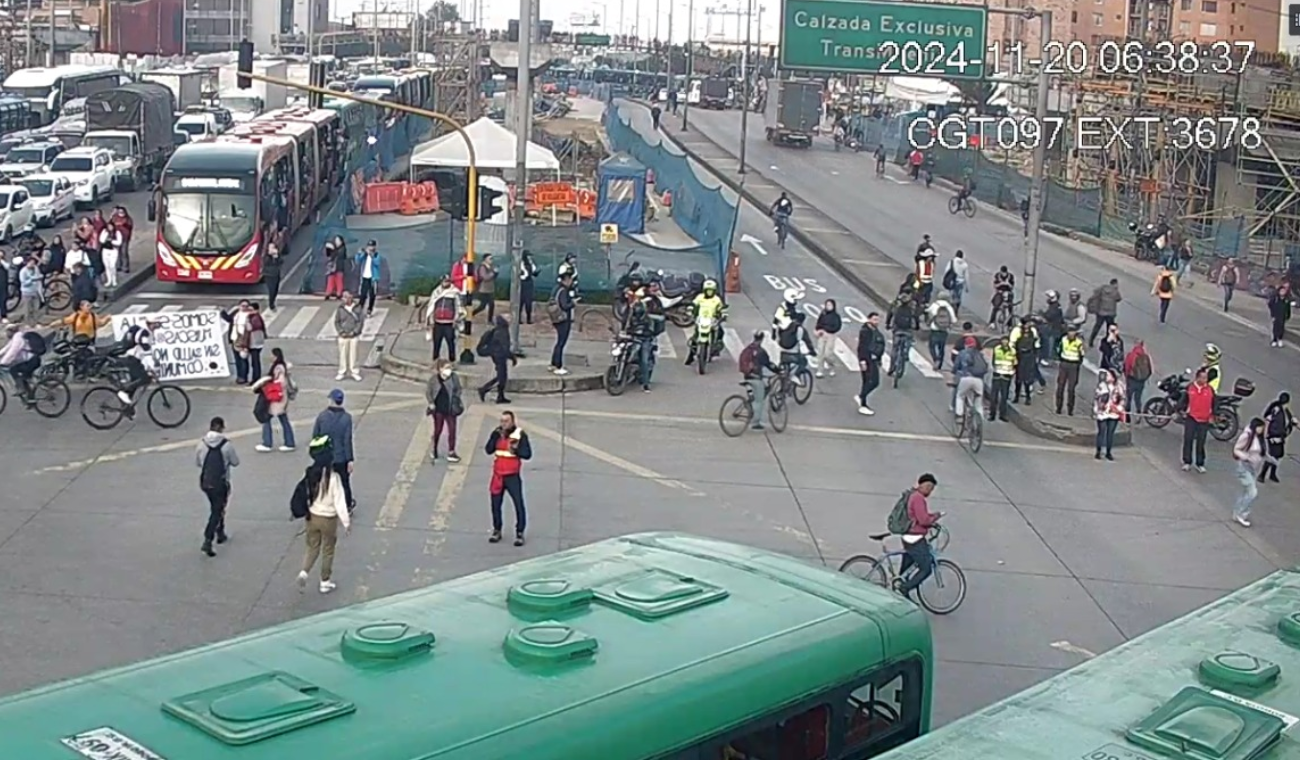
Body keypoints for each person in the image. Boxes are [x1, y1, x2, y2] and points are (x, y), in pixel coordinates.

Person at [296, 436, 351, 594]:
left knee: (312, 546)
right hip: (328, 519)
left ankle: (304, 571)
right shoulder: (333, 478)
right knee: (328, 550)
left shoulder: (310, 474)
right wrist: (346, 522)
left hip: (312, 516)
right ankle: (324, 581)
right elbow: (339, 501)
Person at [486, 410, 532, 546]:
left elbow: (527, 454)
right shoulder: (497, 434)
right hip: (498, 475)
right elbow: (488, 450)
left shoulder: (520, 435)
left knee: (518, 504)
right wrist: (494, 438)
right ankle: (497, 530)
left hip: (512, 476)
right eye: (501, 421)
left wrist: (516, 450)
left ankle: (519, 533)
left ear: (512, 421)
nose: (503, 424)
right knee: (495, 505)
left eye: (506, 421)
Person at [195, 416, 239, 557]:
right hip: (221, 483)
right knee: (217, 510)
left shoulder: (201, 444)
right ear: (220, 427)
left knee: (216, 507)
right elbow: (235, 462)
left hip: (206, 483)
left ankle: (220, 531)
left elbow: (198, 462)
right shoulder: (226, 445)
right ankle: (208, 538)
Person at [896, 473, 942, 598]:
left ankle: (900, 588)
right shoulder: (918, 498)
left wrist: (930, 518)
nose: (929, 490)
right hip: (914, 538)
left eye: (931, 489)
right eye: (928, 486)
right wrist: (936, 516)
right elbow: (923, 520)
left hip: (908, 536)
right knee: (926, 567)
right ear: (921, 485)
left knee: (906, 569)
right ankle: (904, 588)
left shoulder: (913, 495)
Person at [312, 389, 357, 512]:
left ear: (331, 400)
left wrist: (316, 455)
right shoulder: (347, 418)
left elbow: (316, 436)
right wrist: (350, 460)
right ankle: (347, 505)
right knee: (344, 483)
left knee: (323, 481)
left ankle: (323, 503)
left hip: (325, 456)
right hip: (341, 458)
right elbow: (347, 440)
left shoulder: (322, 416)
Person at [255, 347, 296, 452]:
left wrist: (267, 384)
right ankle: (289, 442)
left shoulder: (278, 369)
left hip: (277, 399)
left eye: (272, 355)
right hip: (282, 398)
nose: (271, 357)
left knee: (267, 418)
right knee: (283, 419)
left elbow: (280, 383)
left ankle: (267, 443)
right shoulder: (283, 366)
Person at [426, 359, 465, 463]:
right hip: (438, 408)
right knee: (438, 429)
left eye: (450, 367)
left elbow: (458, 389)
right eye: (446, 368)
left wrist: (456, 398)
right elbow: (429, 392)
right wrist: (431, 403)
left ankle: (451, 452)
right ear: (440, 369)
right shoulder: (433, 379)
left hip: (450, 408)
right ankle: (434, 449)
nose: (449, 370)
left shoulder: (454, 378)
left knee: (452, 430)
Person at [1232, 418, 1267, 527]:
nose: (1261, 430)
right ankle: (1241, 514)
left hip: (1253, 467)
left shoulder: (1259, 438)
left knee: (1246, 492)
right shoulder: (1247, 436)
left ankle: (1238, 512)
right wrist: (1246, 457)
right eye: (1260, 427)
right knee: (1252, 492)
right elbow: (1236, 449)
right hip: (1244, 466)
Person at [739, 330, 776, 430]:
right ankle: (756, 423)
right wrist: (778, 370)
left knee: (754, 396)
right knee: (759, 401)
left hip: (746, 376)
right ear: (762, 339)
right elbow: (768, 364)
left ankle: (750, 407)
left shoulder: (748, 349)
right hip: (755, 377)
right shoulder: (761, 351)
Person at [684, 278, 725, 368]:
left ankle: (715, 349)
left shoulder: (717, 299)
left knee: (721, 333)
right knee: (695, 336)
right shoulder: (700, 297)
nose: (709, 292)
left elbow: (721, 308)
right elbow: (693, 304)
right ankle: (691, 356)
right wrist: (690, 310)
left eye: (711, 291)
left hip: (712, 320)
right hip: (701, 319)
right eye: (708, 290)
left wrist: (723, 314)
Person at [1182, 368, 1214, 473]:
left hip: (1204, 420)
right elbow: (1183, 401)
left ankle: (1200, 463)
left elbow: (1214, 403)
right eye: (1203, 377)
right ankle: (1187, 462)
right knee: (1188, 439)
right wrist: (1180, 410)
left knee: (1201, 442)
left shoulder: (1210, 390)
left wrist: (1213, 415)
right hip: (1191, 418)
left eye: (1206, 378)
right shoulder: (1190, 388)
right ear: (1197, 378)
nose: (1205, 380)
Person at [477, 314, 515, 404]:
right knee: (501, 377)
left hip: (497, 354)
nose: (511, 319)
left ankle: (500, 396)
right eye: (509, 318)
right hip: (499, 355)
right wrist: (512, 357)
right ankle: (484, 389)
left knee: (501, 376)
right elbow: (504, 346)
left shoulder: (500, 328)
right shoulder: (502, 331)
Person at [0, 324, 41, 401]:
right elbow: (5, 349)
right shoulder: (14, 338)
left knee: (14, 370)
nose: (6, 334)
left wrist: (3, 362)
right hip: (29, 360)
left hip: (32, 361)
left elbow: (13, 351)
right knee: (20, 375)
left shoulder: (18, 338)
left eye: (7, 332)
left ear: (11, 331)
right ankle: (30, 399)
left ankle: (22, 389)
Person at [856, 312, 886, 415]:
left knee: (869, 382)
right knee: (872, 381)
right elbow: (861, 347)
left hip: (874, 359)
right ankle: (862, 401)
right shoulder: (865, 331)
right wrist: (862, 361)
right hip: (867, 360)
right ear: (869, 319)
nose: (876, 322)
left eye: (877, 320)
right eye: (874, 319)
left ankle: (862, 398)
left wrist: (879, 359)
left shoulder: (874, 330)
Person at [426, 275, 461, 362]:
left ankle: (452, 361)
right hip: (437, 323)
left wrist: (456, 319)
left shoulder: (454, 293)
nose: (446, 283)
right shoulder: (436, 292)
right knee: (436, 343)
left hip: (449, 323)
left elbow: (458, 307)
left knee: (450, 343)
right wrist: (431, 320)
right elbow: (431, 306)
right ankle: (435, 361)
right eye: (444, 281)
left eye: (448, 281)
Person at [1261, 393, 1294, 483]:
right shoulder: (1276, 409)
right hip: (1273, 437)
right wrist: (1266, 435)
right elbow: (1268, 421)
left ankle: (1272, 473)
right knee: (1272, 456)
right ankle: (1262, 475)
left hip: (1280, 437)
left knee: (1278, 455)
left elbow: (1291, 421)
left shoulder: (1285, 411)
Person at [951, 336, 987, 421]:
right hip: (979, 380)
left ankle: (959, 416)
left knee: (960, 396)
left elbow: (956, 366)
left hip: (966, 378)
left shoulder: (962, 353)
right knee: (978, 402)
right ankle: (980, 419)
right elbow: (986, 366)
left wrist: (953, 372)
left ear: (966, 345)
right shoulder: (980, 354)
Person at [549, 271, 577, 376]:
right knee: (561, 343)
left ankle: (553, 363)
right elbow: (565, 305)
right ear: (566, 280)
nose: (571, 282)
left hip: (556, 318)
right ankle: (558, 365)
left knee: (558, 342)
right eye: (570, 279)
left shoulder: (556, 288)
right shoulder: (564, 291)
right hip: (563, 319)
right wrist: (573, 303)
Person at [1093, 369, 1124, 461]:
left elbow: (1123, 398)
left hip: (1114, 413)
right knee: (1101, 432)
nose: (1107, 377)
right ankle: (1098, 451)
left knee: (1110, 433)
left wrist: (1119, 408)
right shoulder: (1102, 386)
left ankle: (1108, 452)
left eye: (1109, 375)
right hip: (1103, 413)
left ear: (1113, 377)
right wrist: (1097, 409)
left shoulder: (1119, 387)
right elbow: (1097, 398)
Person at [334, 291, 365, 382]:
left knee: (354, 354)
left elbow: (360, 321)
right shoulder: (340, 308)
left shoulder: (357, 308)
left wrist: (355, 332)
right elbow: (337, 322)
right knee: (342, 354)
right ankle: (342, 371)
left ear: (351, 298)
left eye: (346, 297)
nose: (344, 299)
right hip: (343, 335)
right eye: (343, 297)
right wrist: (341, 331)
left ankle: (354, 372)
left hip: (353, 335)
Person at [1055, 324, 1085, 415]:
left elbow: (1081, 355)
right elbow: (1059, 350)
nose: (1071, 333)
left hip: (1073, 365)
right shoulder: (1063, 340)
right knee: (1060, 387)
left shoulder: (1079, 342)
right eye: (1070, 331)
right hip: (1064, 364)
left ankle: (1070, 409)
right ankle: (1058, 408)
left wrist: (1076, 364)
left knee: (1071, 389)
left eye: (1073, 331)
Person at [1009, 316, 1039, 404]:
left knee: (1028, 378)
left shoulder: (1033, 331)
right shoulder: (1017, 331)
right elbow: (1012, 344)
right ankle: (1016, 396)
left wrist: (1036, 355)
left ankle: (1028, 397)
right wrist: (1014, 356)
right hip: (1019, 355)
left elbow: (1036, 343)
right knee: (1019, 377)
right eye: (1028, 323)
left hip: (1030, 356)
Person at [222, 299, 253, 384]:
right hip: (235, 338)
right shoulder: (236, 312)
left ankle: (244, 377)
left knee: (243, 359)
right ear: (239, 306)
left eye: (246, 306)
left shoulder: (250, 315)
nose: (244, 308)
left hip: (244, 340)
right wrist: (222, 313)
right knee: (237, 360)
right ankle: (239, 376)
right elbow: (229, 319)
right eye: (242, 306)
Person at [1122, 340, 1153, 418]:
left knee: (1128, 397)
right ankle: (1138, 412)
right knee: (1138, 398)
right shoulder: (1146, 356)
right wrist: (1145, 378)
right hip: (1141, 381)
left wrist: (1126, 377)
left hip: (1132, 380)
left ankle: (1127, 415)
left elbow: (1127, 367)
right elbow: (1150, 369)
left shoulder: (1131, 355)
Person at [1087, 279, 1123, 345]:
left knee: (1097, 326)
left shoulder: (1103, 288)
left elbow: (1095, 292)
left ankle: (1091, 340)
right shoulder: (1115, 291)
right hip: (1110, 313)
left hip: (1101, 312)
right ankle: (1107, 342)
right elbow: (1119, 299)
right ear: (1115, 284)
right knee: (1109, 329)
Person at [990, 334, 1016, 421]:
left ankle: (1002, 415)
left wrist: (1012, 372)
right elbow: (993, 361)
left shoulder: (1012, 350)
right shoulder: (997, 349)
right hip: (997, 375)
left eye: (1006, 340)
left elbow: (1015, 362)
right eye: (1003, 340)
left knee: (1004, 396)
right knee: (994, 396)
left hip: (1006, 376)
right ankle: (992, 414)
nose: (1004, 342)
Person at [813, 298, 843, 378]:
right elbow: (819, 323)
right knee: (820, 353)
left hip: (830, 336)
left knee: (828, 354)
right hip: (822, 335)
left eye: (830, 305)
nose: (828, 306)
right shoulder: (823, 314)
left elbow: (837, 327)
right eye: (827, 305)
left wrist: (828, 330)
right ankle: (820, 371)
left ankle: (832, 365)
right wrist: (817, 330)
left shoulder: (836, 316)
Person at [355, 240, 382, 315]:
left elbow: (377, 263)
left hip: (372, 278)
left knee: (372, 295)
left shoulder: (376, 255)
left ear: (374, 247)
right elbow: (357, 261)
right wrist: (359, 253)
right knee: (363, 294)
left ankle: (369, 309)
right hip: (365, 277)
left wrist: (371, 255)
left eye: (372, 246)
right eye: (369, 246)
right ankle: (360, 309)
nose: (370, 248)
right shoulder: (365, 255)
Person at [471, 253, 498, 322]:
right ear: (485, 259)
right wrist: (493, 273)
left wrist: (495, 273)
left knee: (491, 305)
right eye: (490, 258)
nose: (491, 260)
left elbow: (492, 277)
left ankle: (489, 320)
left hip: (490, 289)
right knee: (483, 306)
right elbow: (485, 277)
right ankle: (471, 314)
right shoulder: (482, 267)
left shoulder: (490, 267)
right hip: (483, 289)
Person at [98, 221, 123, 288]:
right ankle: (109, 280)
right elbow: (101, 240)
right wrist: (106, 238)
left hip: (113, 250)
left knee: (112, 265)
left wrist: (112, 241)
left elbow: (119, 242)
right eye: (108, 226)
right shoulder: (104, 231)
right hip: (105, 250)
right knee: (107, 266)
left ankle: (114, 280)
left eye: (111, 226)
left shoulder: (117, 233)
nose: (110, 228)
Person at [18, 255, 42, 325]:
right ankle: (28, 323)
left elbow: (39, 275)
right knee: (27, 310)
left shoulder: (36, 268)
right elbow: (23, 282)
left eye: (33, 263)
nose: (32, 264)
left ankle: (35, 322)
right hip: (26, 292)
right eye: (31, 263)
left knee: (36, 309)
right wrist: (32, 279)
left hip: (35, 291)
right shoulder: (23, 271)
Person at [246, 302, 267, 381]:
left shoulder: (255, 318)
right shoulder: (255, 317)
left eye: (251, 310)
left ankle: (256, 378)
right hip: (256, 342)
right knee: (255, 361)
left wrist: (247, 320)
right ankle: (255, 377)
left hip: (255, 343)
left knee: (255, 362)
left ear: (256, 310)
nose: (249, 311)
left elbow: (250, 328)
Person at [518, 250, 540, 324]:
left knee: (528, 302)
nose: (530, 257)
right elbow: (520, 274)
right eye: (528, 255)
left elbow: (533, 272)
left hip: (529, 283)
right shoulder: (521, 263)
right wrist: (524, 274)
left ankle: (528, 318)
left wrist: (536, 273)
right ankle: (518, 319)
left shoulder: (531, 263)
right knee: (521, 301)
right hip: (523, 283)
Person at [262, 242, 284, 311]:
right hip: (269, 275)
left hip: (276, 274)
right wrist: (271, 256)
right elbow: (266, 263)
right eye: (270, 247)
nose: (272, 249)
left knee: (276, 290)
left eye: (273, 247)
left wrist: (276, 256)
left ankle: (273, 301)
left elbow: (281, 262)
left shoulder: (277, 255)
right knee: (271, 290)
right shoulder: (266, 256)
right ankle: (271, 304)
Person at [111, 206, 133, 274]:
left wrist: (123, 224)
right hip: (116, 237)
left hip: (124, 238)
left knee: (124, 252)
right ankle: (118, 266)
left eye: (122, 212)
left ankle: (125, 267)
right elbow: (110, 225)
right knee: (117, 252)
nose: (121, 213)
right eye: (119, 212)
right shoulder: (114, 218)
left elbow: (129, 226)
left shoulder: (128, 219)